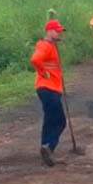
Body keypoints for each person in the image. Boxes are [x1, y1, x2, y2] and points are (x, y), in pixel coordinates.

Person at [31, 19, 67, 167]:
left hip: (51, 88)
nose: (59, 34)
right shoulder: (44, 45)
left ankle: (45, 148)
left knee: (50, 120)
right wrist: (43, 72)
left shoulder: (51, 45)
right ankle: (48, 147)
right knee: (60, 121)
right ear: (49, 31)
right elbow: (35, 59)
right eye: (57, 31)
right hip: (48, 88)